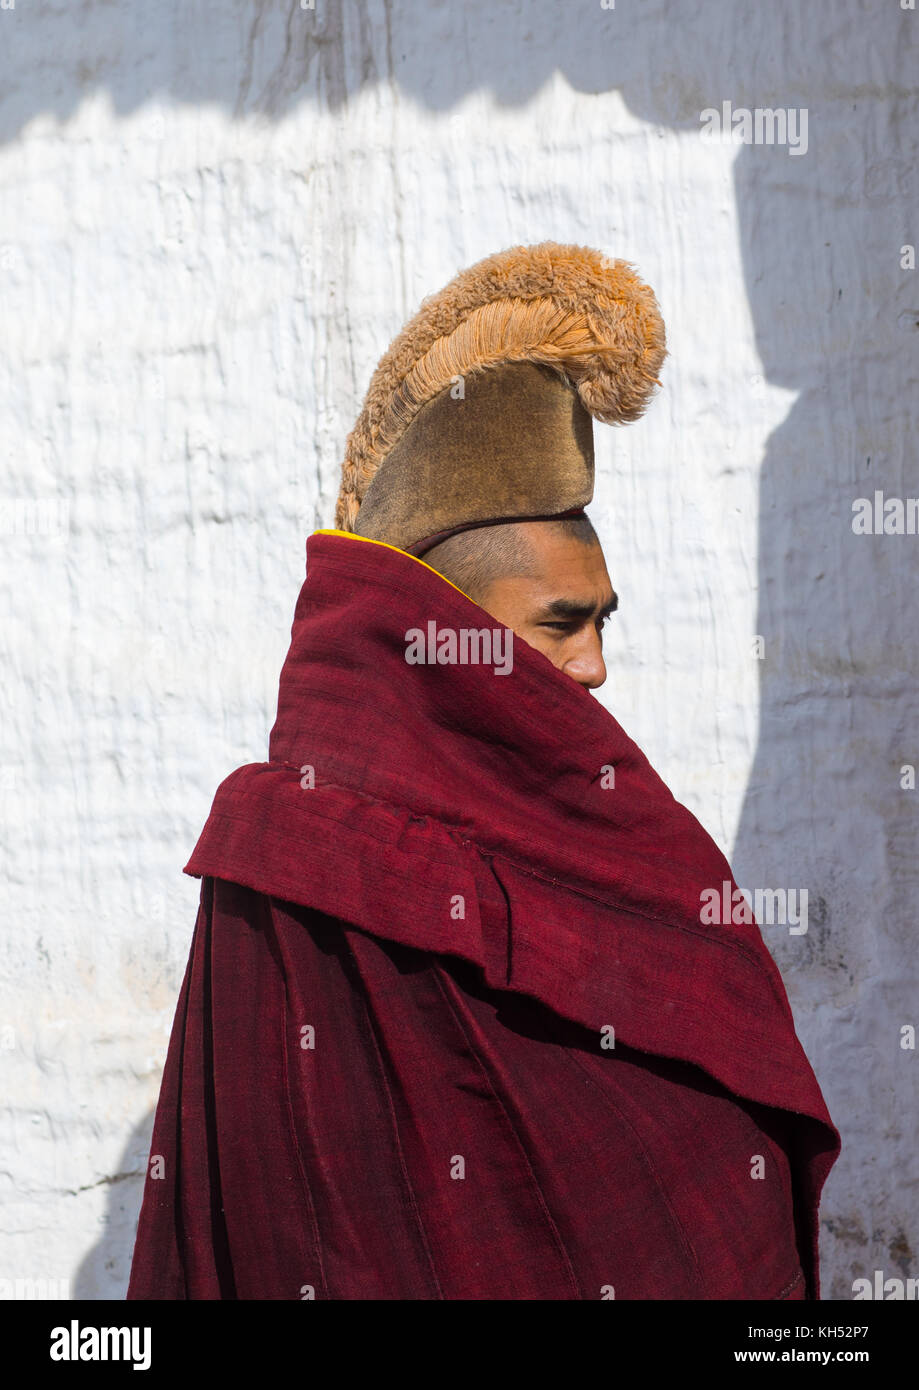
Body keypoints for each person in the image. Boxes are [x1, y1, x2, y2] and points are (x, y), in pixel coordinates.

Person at [127, 242, 839, 1300]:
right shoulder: (284, 852)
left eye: (601, 622)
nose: (593, 665)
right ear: (445, 632)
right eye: (560, 623)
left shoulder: (598, 833)